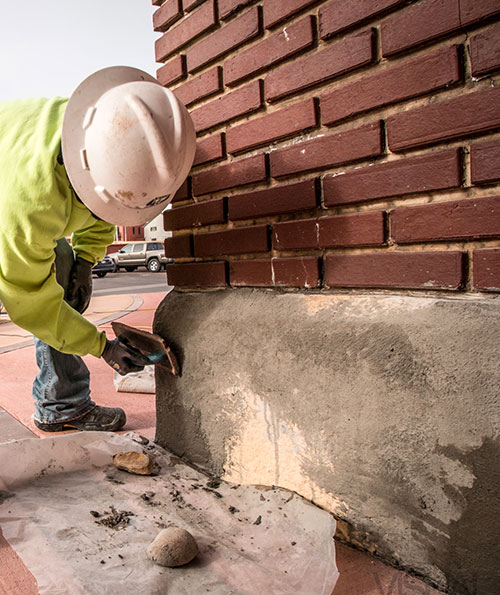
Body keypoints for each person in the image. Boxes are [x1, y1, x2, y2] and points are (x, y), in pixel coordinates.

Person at [0, 66, 195, 432]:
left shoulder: (99, 127)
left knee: (61, 262)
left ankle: (60, 403)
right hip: (12, 201)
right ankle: (59, 406)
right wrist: (101, 347)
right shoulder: (30, 206)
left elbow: (108, 202)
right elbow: (31, 305)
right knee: (48, 293)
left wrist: (86, 260)